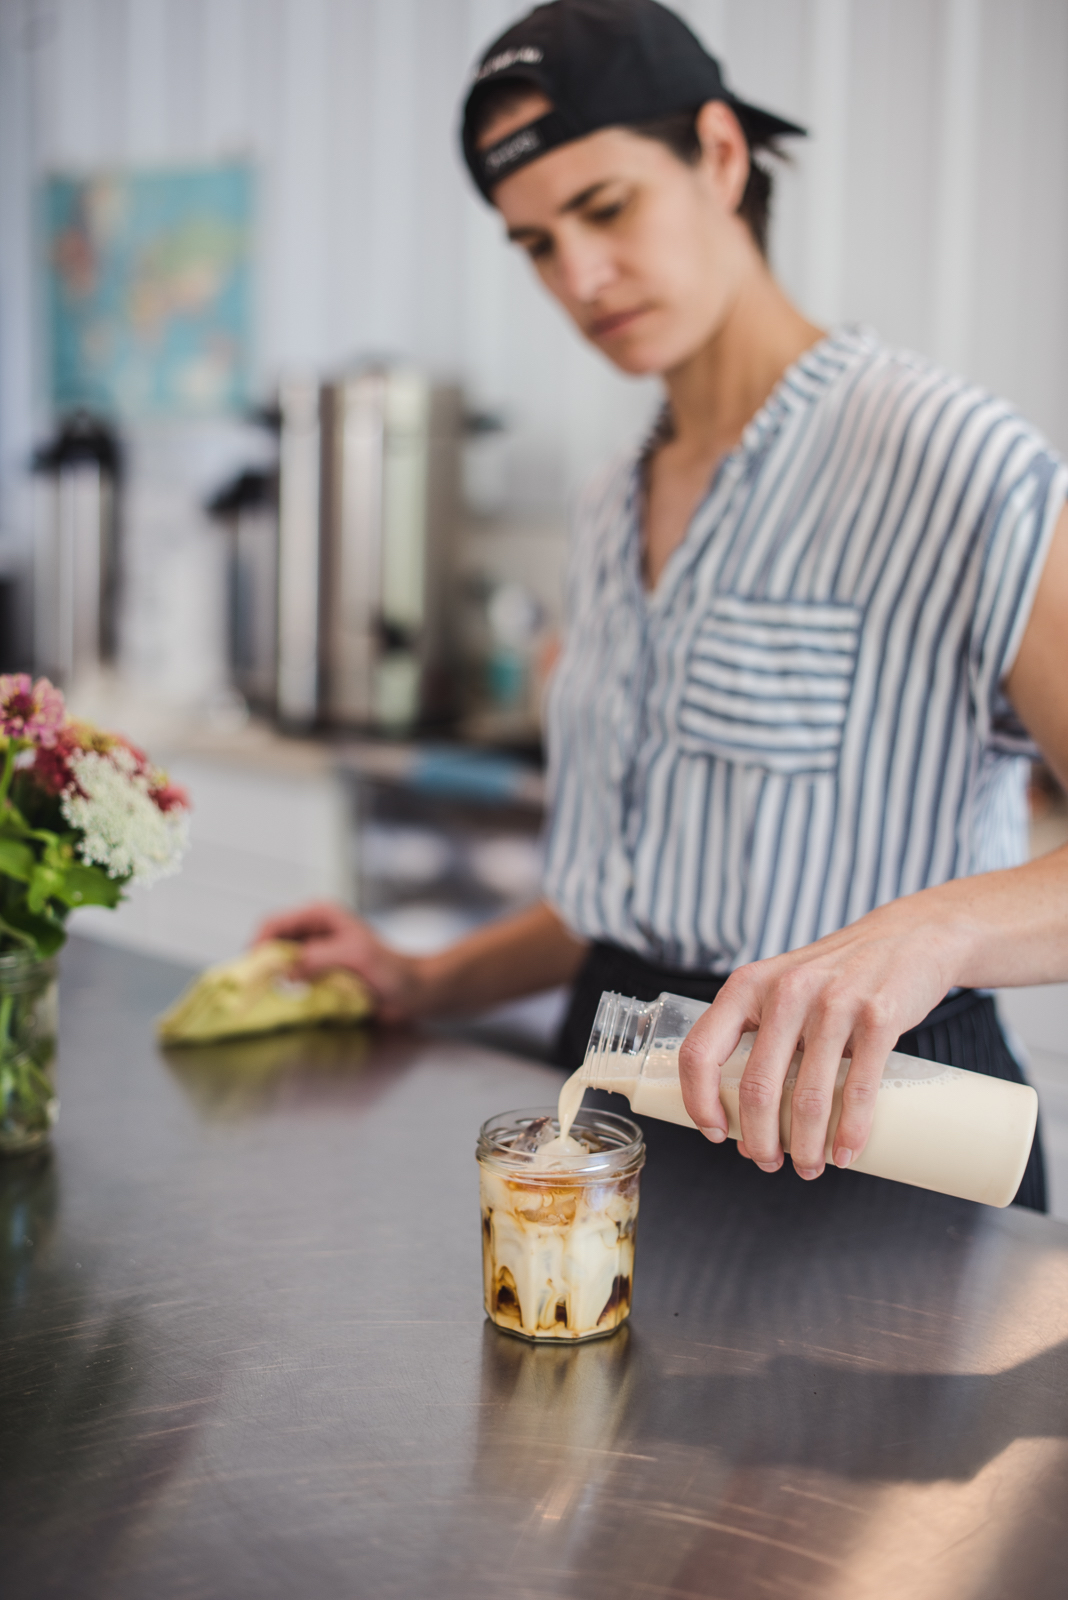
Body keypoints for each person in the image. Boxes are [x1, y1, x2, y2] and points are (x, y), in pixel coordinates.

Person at [259, 0, 1068, 1211]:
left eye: (606, 208)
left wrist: (931, 932)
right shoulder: (607, 506)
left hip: (873, 1143)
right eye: (535, 244)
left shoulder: (953, 461)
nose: (579, 276)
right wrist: (422, 980)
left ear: (721, 156)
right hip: (610, 1112)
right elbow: (630, 908)